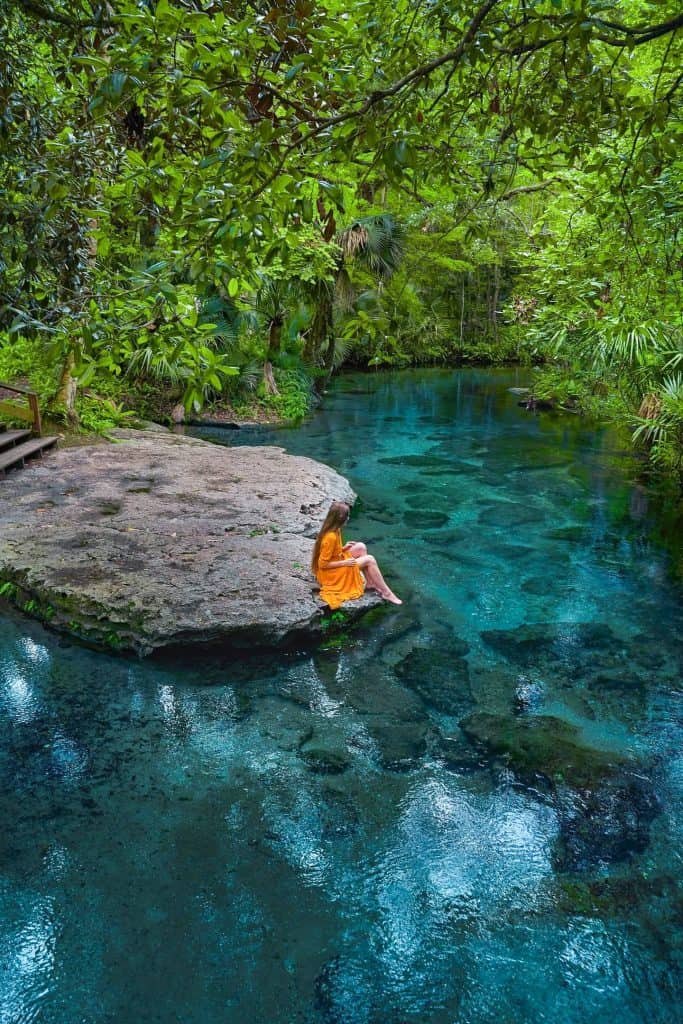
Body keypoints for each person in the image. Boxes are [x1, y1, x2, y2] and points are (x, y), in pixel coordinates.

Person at [311, 500, 402, 609]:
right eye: (347, 515)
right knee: (370, 560)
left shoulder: (336, 530)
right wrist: (345, 562)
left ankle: (370, 583)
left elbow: (332, 552)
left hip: (336, 562)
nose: (348, 518)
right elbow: (322, 564)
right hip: (330, 574)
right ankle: (387, 593)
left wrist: (344, 548)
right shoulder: (330, 536)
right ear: (340, 517)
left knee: (361, 547)